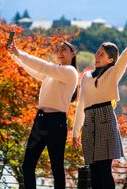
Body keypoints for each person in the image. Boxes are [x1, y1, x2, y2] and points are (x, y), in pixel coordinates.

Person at [72, 24, 127, 189]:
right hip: (89, 123)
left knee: (104, 169)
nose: (97, 56)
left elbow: (126, 55)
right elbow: (81, 105)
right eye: (98, 52)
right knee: (93, 170)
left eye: (102, 54)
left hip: (105, 118)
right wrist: (76, 132)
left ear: (110, 60)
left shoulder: (113, 73)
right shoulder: (86, 77)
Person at [7, 39, 79, 189]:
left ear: (73, 54)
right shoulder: (51, 74)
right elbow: (31, 69)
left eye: (63, 49)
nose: (59, 52)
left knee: (57, 169)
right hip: (40, 122)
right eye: (58, 50)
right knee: (27, 166)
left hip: (56, 124)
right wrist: (14, 54)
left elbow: (43, 66)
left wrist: (19, 53)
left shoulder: (70, 72)